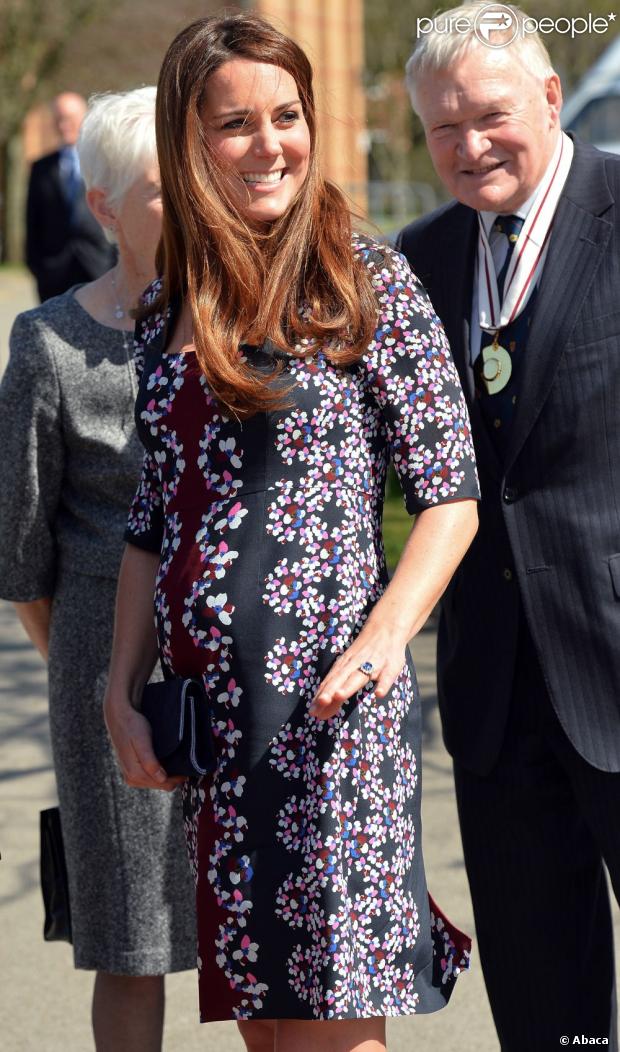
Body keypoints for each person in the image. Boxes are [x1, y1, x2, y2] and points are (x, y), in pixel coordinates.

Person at [103, 13, 479, 1052]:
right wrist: (117, 690)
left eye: (287, 115)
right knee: (265, 1030)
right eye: (236, 122)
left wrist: (379, 640)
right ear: (189, 141)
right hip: (212, 725)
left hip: (329, 716)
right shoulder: (165, 303)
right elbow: (151, 515)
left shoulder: (362, 280)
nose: (271, 143)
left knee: (325, 1026)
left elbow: (449, 491)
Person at [396, 3, 620, 1048]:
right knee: (542, 1004)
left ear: (545, 94)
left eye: (488, 114)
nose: (468, 143)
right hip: (491, 692)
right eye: (442, 127)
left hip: (614, 653)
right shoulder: (420, 258)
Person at [0, 88, 196, 1052]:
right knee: (131, 942)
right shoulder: (49, 345)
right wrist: (88, 669)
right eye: (166, 186)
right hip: (106, 678)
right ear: (103, 204)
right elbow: (22, 553)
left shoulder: (258, 323)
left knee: (276, 937)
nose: (196, 197)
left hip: (249, 663)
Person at [25, 91, 114, 301]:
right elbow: (32, 222)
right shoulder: (41, 168)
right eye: (59, 120)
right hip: (54, 276)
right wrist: (39, 267)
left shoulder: (106, 163)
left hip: (99, 268)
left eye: (70, 119)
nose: (64, 125)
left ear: (85, 118)